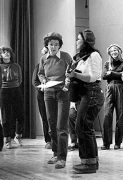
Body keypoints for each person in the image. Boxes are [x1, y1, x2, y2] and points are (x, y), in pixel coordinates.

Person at [68, 29, 104, 174]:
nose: (76, 41)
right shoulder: (80, 57)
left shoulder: (94, 55)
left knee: (82, 127)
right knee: (83, 127)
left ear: (85, 41)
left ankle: (89, 163)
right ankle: (90, 161)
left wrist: (74, 74)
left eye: (78, 39)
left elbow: (92, 77)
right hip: (84, 94)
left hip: (92, 93)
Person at [38, 32, 72, 169]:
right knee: (51, 126)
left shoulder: (65, 56)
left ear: (59, 46)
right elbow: (41, 73)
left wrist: (67, 83)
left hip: (62, 93)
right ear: (47, 45)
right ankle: (55, 153)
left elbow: (72, 71)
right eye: (51, 44)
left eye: (56, 44)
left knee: (61, 127)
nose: (53, 47)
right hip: (48, 93)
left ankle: (62, 158)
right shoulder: (43, 58)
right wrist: (43, 80)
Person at [101, 44, 123, 150]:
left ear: (119, 51)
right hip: (109, 88)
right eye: (111, 51)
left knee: (120, 116)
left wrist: (111, 73)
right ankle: (106, 143)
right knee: (107, 115)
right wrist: (116, 73)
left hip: (121, 88)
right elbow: (103, 76)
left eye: (115, 50)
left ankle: (118, 142)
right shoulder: (107, 63)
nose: (113, 52)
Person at [0, 46, 24, 149]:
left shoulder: (16, 66)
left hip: (16, 90)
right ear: (1, 55)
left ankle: (18, 136)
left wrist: (14, 85)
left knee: (20, 114)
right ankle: (7, 139)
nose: (7, 53)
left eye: (8, 52)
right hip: (3, 91)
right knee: (6, 116)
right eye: (4, 52)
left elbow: (20, 79)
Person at [32, 62, 52, 149]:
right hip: (42, 94)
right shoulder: (38, 66)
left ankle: (56, 140)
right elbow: (35, 81)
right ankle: (48, 140)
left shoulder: (56, 64)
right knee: (45, 117)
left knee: (54, 118)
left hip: (55, 94)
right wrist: (42, 87)